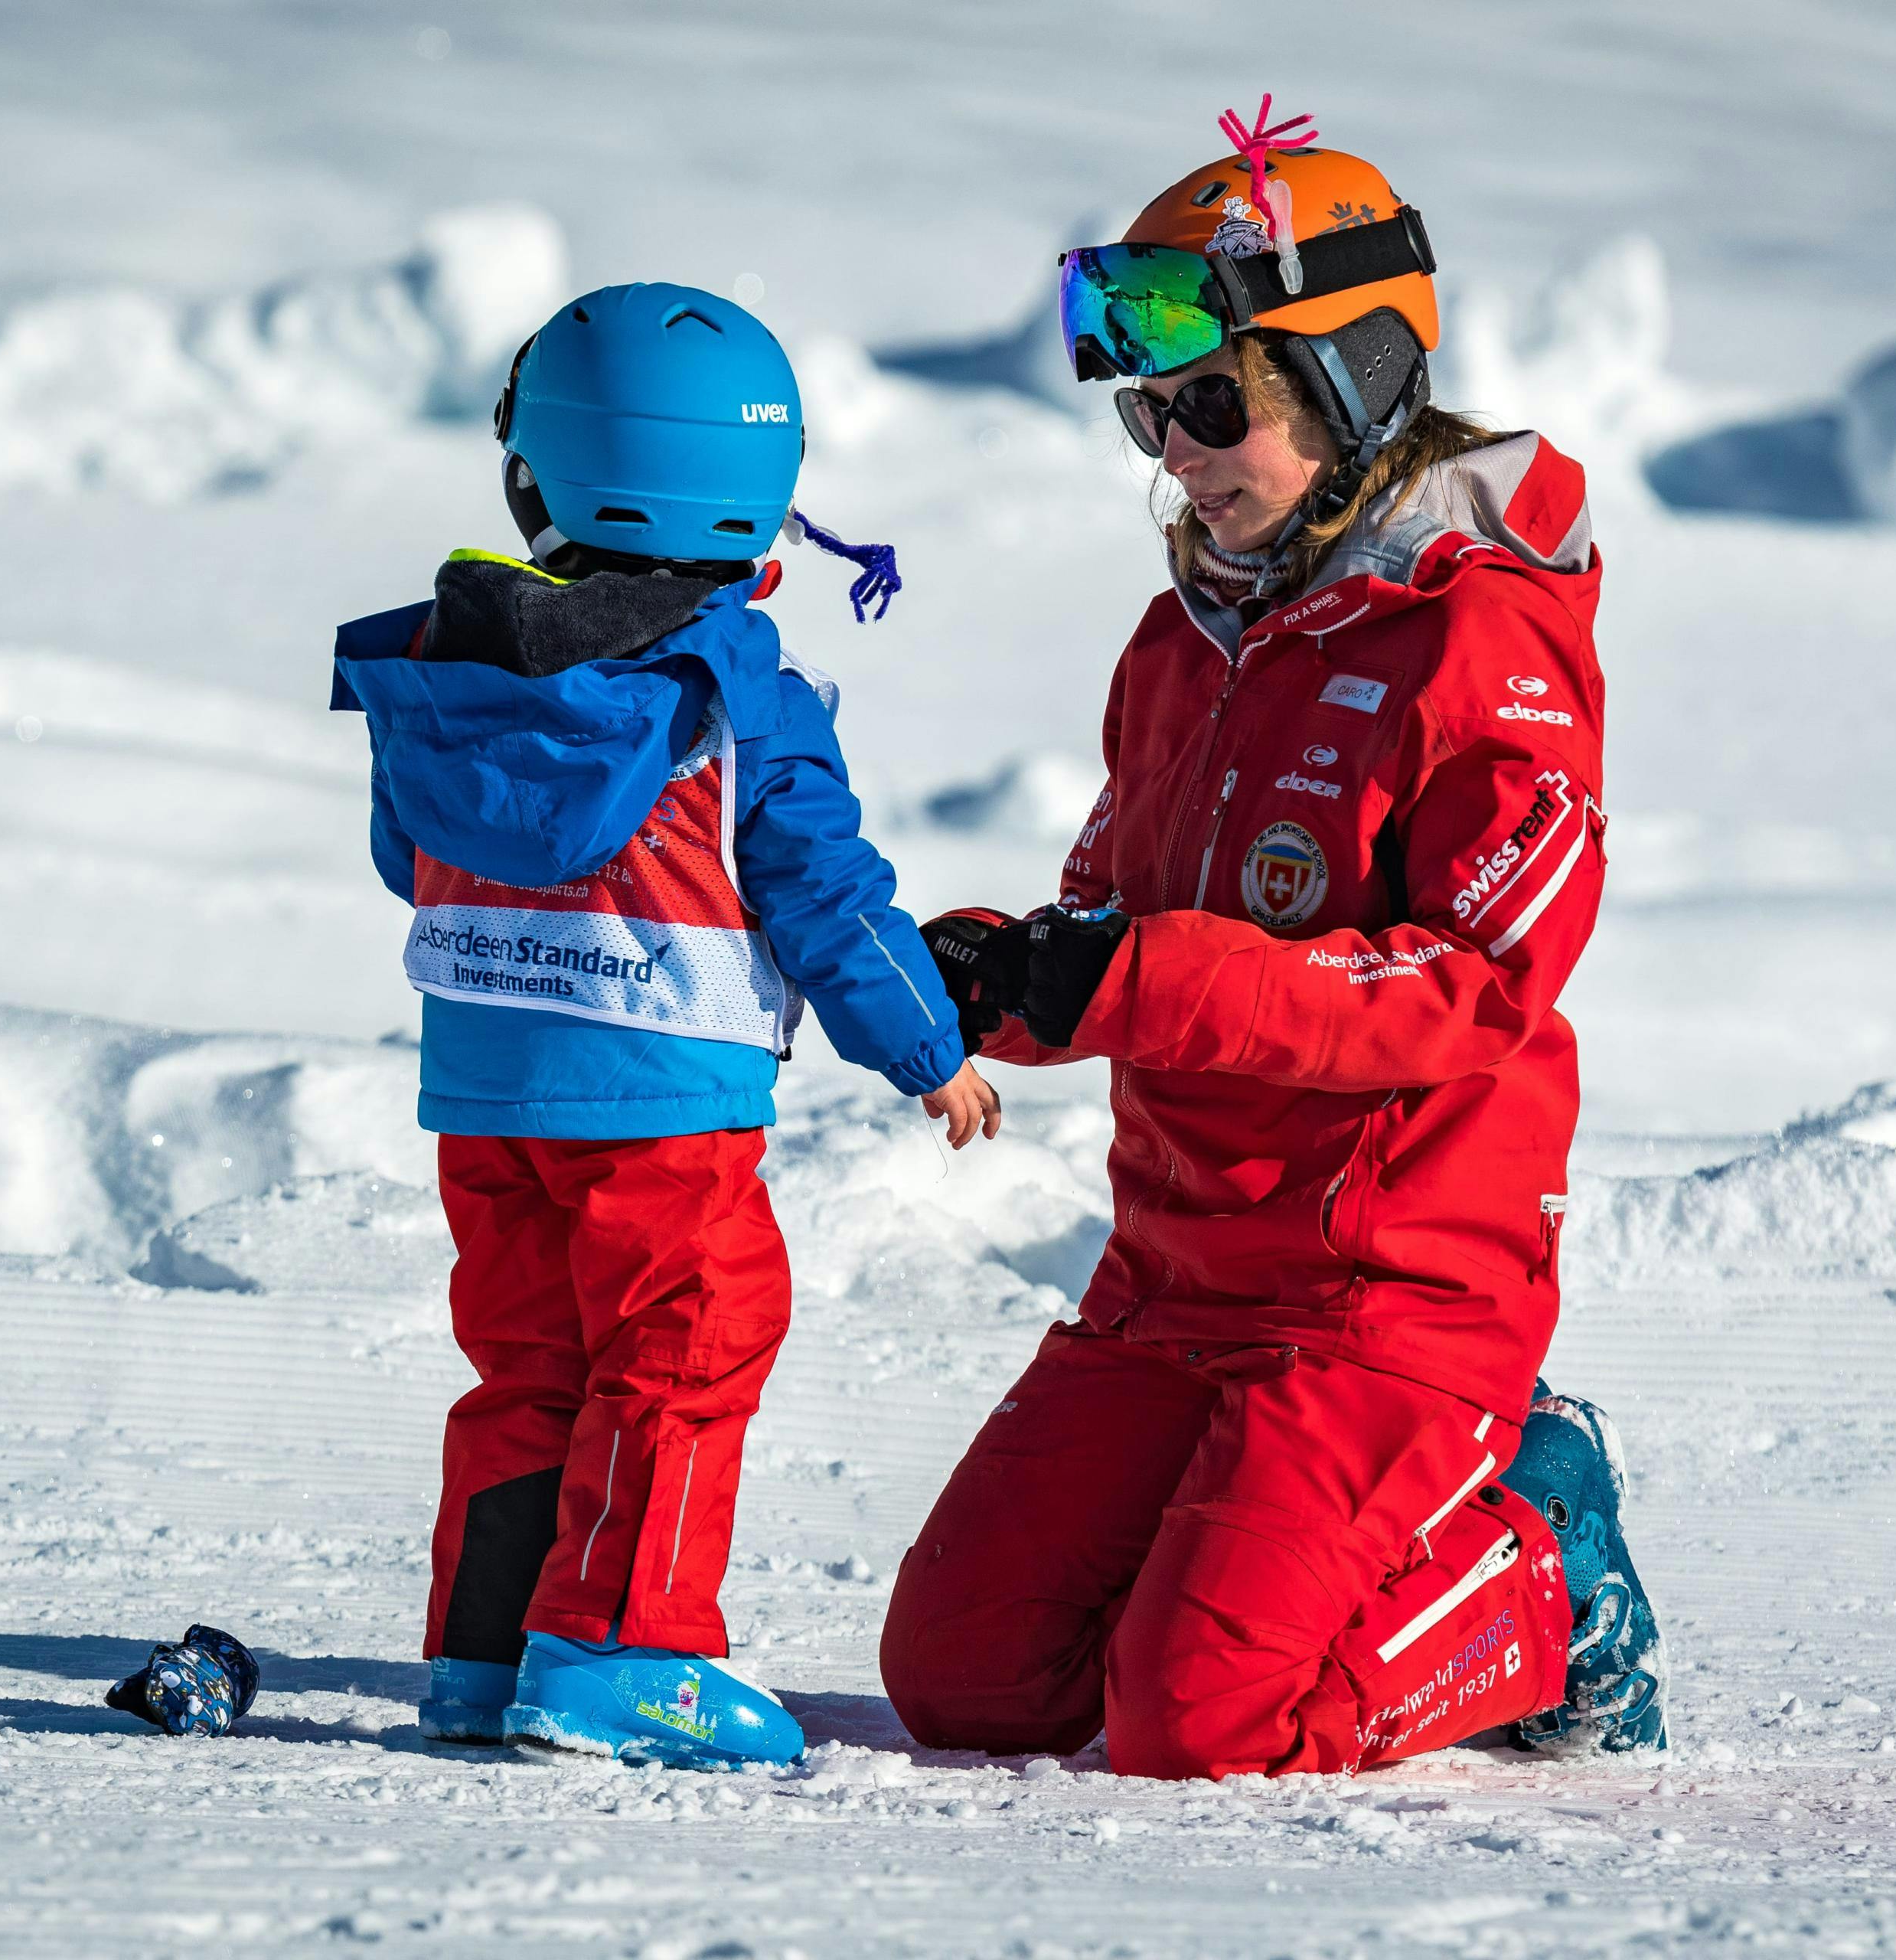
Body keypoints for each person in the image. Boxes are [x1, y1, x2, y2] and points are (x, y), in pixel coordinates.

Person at [879, 103, 1664, 1779]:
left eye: (1214, 402)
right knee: (966, 1677)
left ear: (1354, 382)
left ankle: (1537, 1570)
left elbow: (1476, 985)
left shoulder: (1480, 641)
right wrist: (994, 975)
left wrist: (1137, 973)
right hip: (1175, 1277)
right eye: (1154, 409)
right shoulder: (1184, 644)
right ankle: (1276, 1546)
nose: (1174, 447)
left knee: (1200, 1720)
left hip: (1391, 1295)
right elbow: (1116, 920)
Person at [331, 283, 1000, 1770]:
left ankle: (483, 1652)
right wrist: (927, 1044)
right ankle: (623, 1648)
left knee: (532, 1359)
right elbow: (823, 889)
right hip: (659, 1096)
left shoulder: (452, 663)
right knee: (687, 1341)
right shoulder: (734, 693)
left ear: (536, 474)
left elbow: (410, 853)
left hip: (486, 1088)